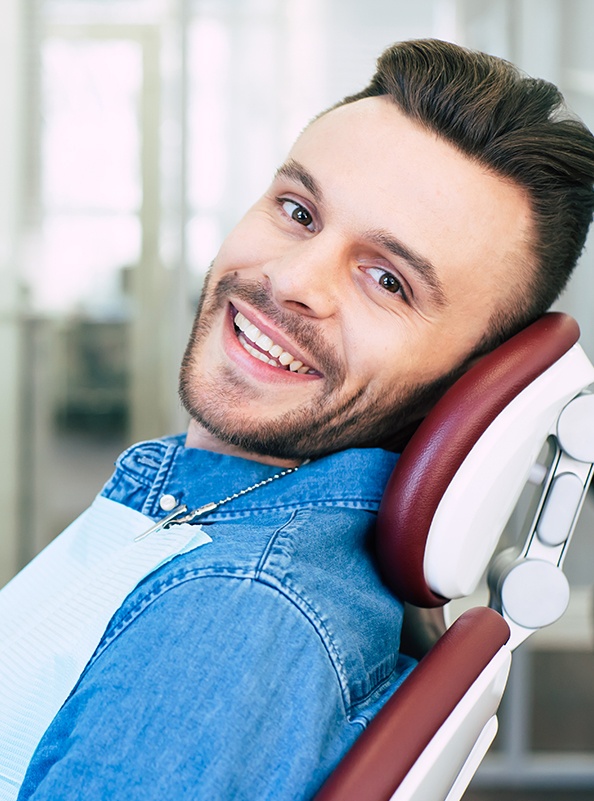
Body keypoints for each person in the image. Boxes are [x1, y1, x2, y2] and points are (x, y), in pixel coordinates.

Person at [10, 38, 594, 800]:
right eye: (298, 211)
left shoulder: (233, 614)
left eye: (388, 280)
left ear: (463, 382)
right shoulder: (206, 514)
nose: (290, 280)